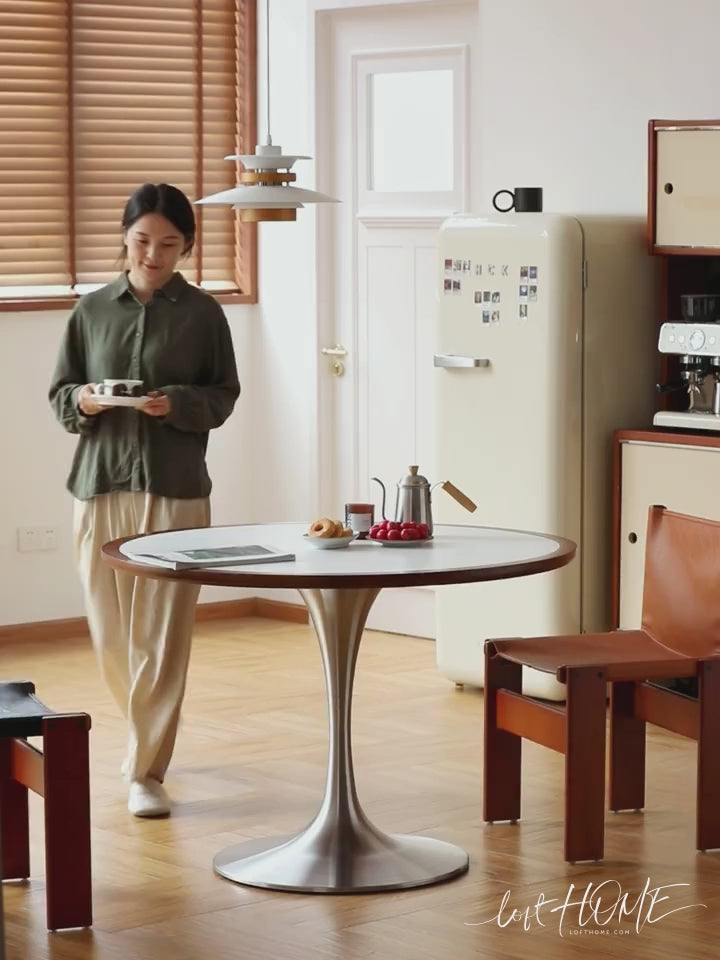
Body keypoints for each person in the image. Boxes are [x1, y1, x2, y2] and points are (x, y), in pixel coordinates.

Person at [49, 183, 240, 818]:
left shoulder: (204, 314)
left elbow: (224, 396)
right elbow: (60, 393)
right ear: (124, 239)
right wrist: (85, 400)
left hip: (175, 489)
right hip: (100, 484)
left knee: (161, 635)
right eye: (141, 241)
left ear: (187, 246)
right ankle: (143, 740)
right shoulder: (91, 309)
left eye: (168, 244)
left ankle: (145, 770)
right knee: (110, 633)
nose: (153, 255)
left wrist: (177, 402)